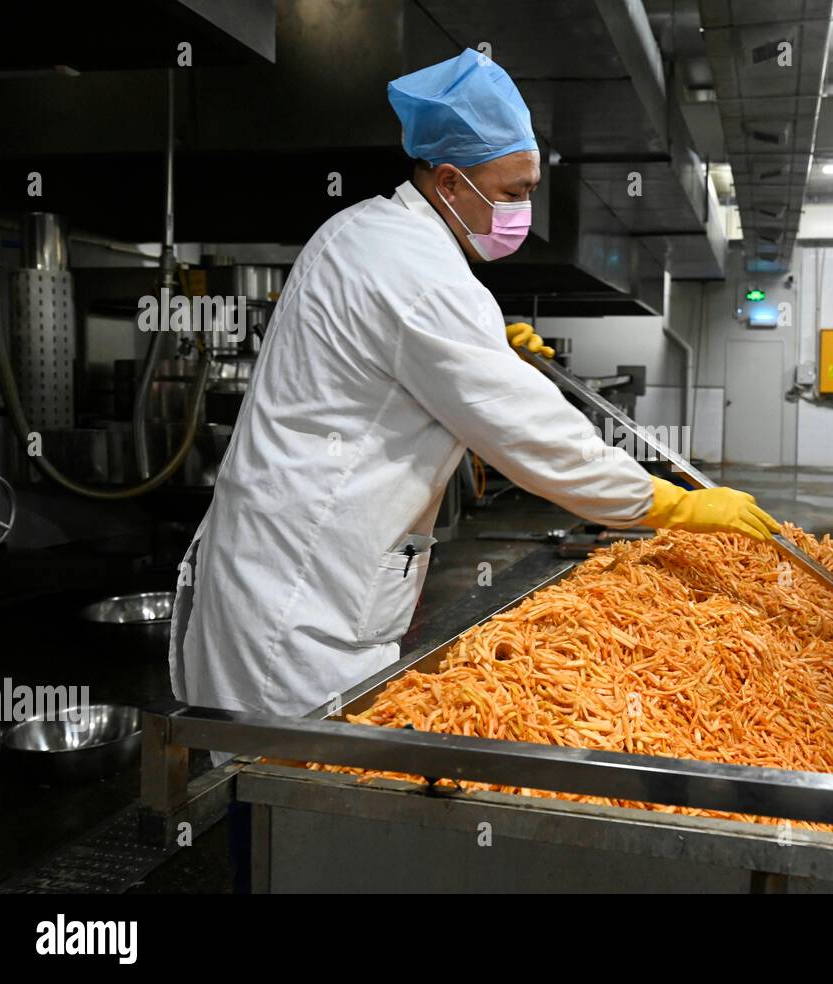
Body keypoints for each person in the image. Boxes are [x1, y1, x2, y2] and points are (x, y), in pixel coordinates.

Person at [168, 49, 778, 736]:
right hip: (298, 609)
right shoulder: (420, 274)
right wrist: (671, 503)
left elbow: (400, 358)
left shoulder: (368, 231)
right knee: (290, 792)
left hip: (283, 565)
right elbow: (535, 438)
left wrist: (488, 350)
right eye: (512, 191)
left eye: (530, 189)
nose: (523, 208)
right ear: (452, 182)